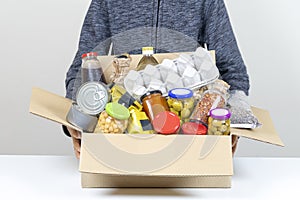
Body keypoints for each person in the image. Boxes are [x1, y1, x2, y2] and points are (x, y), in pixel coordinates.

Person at [64, 0, 250, 159]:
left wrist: (233, 122)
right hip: (124, 133)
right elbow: (83, 65)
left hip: (187, 136)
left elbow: (233, 71)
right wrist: (75, 119)